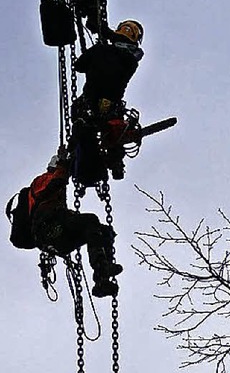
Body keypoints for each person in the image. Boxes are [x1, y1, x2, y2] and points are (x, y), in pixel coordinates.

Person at [28, 152, 123, 297]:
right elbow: (54, 184)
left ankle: (102, 277)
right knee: (90, 220)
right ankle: (100, 266)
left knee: (102, 231)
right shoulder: (41, 180)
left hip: (62, 236)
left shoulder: (58, 194)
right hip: (49, 229)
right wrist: (63, 167)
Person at [70, 20, 144, 183]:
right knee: (113, 129)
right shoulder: (131, 61)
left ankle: (78, 151)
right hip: (112, 105)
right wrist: (104, 33)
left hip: (88, 104)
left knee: (80, 120)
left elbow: (78, 66)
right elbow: (125, 50)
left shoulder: (100, 50)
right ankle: (115, 159)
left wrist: (101, 41)